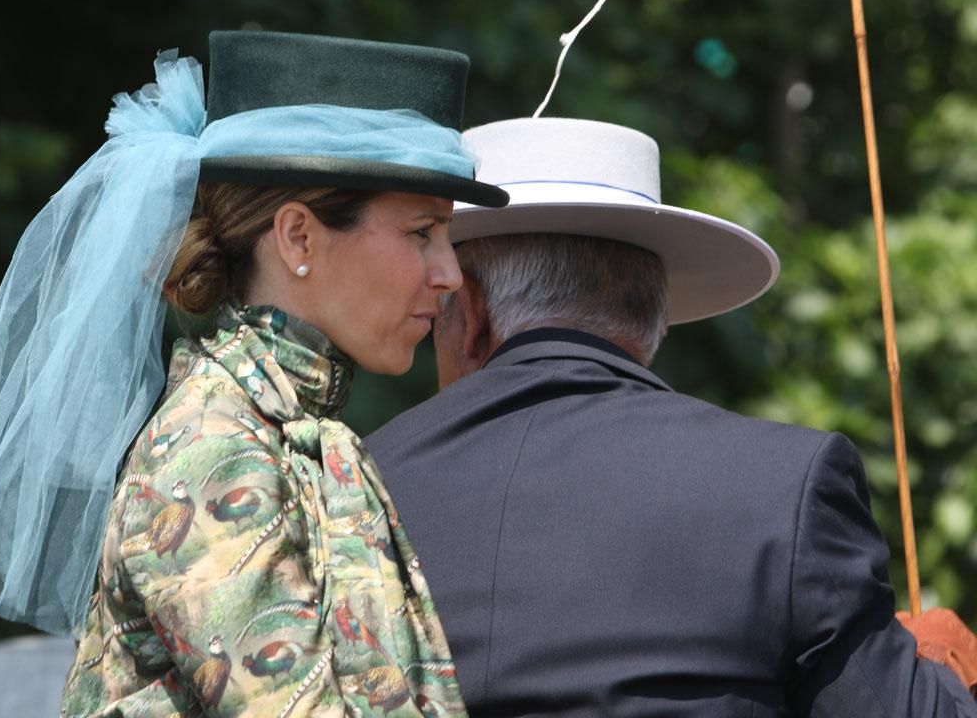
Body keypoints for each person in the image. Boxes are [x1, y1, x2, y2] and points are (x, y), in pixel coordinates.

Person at [0, 31, 510, 716]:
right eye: (422, 232)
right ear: (299, 238)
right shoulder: (214, 450)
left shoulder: (287, 429)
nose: (448, 274)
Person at [366, 117, 977, 716]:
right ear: (652, 320)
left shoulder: (348, 486)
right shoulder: (782, 484)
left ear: (468, 312)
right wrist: (938, 664)